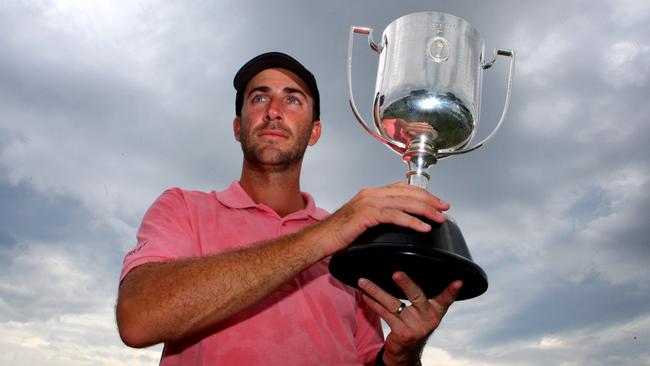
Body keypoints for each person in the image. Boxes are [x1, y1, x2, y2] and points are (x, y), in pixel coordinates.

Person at [116, 52, 462, 365]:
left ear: (314, 133)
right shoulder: (183, 208)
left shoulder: (352, 241)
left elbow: (368, 359)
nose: (273, 111)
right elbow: (138, 319)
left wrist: (402, 355)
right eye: (259, 97)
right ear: (238, 128)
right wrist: (327, 233)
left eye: (292, 99)